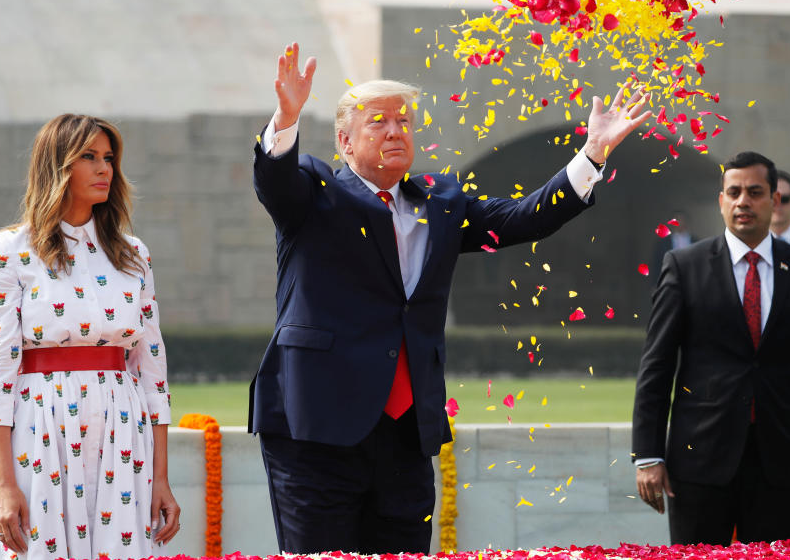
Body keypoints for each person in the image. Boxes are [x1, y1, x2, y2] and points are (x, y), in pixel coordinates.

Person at [251, 42, 652, 554]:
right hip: (316, 425)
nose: (395, 131)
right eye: (378, 122)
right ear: (345, 142)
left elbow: (524, 217)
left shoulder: (441, 203)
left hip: (405, 431)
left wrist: (592, 154)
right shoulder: (314, 193)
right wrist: (286, 117)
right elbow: (275, 180)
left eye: (404, 121)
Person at [0, 114, 180, 560]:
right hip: (39, 425)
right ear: (57, 165)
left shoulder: (133, 256)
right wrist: (6, 486)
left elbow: (153, 374)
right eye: (88, 157)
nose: (105, 168)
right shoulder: (12, 250)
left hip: (123, 430)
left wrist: (160, 478)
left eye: (109, 158)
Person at [632, 151, 790, 545]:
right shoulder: (684, 266)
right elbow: (657, 366)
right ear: (721, 201)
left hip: (779, 460)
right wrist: (647, 455)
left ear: (775, 200)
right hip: (699, 459)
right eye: (733, 192)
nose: (742, 201)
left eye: (754, 192)